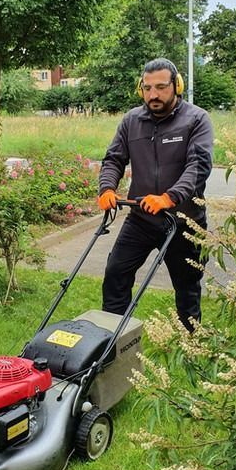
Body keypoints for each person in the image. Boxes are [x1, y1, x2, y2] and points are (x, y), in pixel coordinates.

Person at [97, 57, 213, 332]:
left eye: (161, 87)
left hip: (185, 222)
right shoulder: (132, 121)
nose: (153, 95)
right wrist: (107, 187)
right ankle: (112, 339)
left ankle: (190, 342)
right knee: (115, 273)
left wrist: (169, 197)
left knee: (187, 288)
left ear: (177, 86)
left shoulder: (196, 119)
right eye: (147, 88)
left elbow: (198, 166)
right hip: (142, 219)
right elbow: (114, 159)